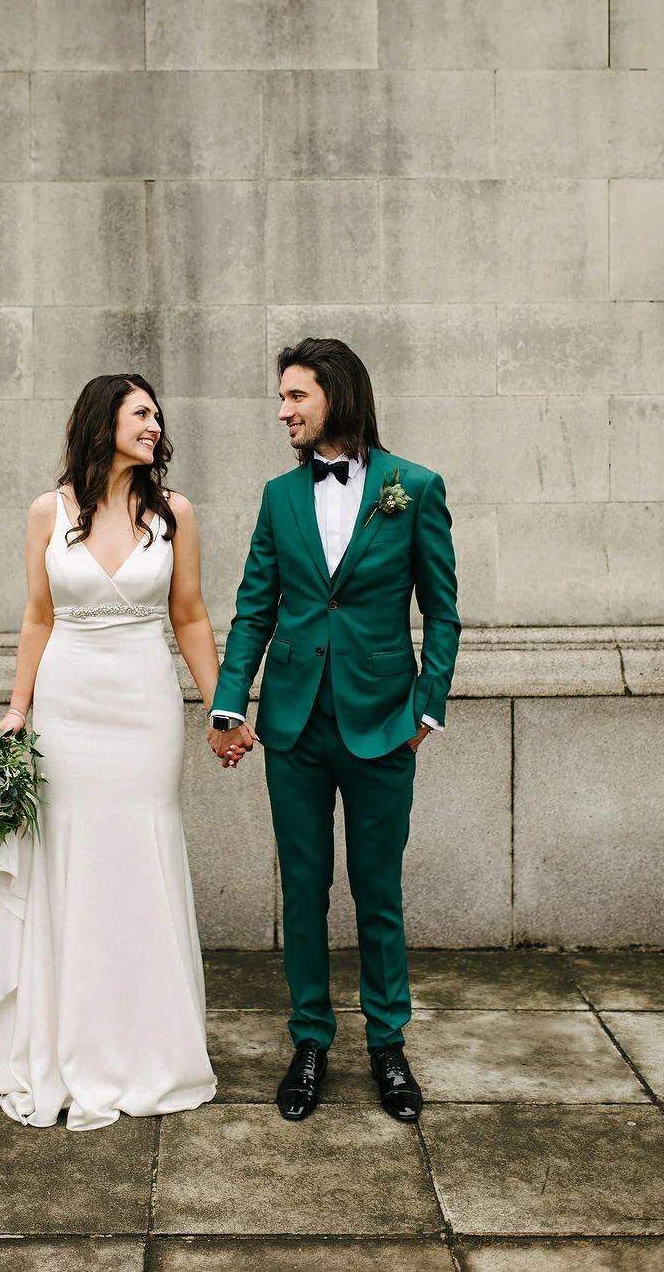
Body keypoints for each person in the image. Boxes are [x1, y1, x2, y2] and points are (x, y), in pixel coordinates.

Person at [207, 337, 460, 1125]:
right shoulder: (278, 496)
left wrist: (424, 711)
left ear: (335, 397)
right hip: (292, 724)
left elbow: (442, 611)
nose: (281, 412)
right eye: (281, 398)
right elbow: (256, 606)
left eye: (294, 397)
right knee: (305, 889)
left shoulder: (413, 488)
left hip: (384, 724)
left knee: (377, 891)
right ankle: (310, 1040)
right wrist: (228, 704)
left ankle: (387, 1043)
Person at [0, 374, 218, 1130]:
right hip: (67, 708)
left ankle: (147, 1046)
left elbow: (192, 616)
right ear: (103, 422)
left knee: (140, 851)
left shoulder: (176, 514)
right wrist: (15, 709)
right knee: (68, 858)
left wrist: (219, 707)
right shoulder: (49, 511)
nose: (156, 423)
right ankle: (65, 1041)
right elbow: (38, 616)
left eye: (158, 414)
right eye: (142, 412)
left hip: (143, 705)